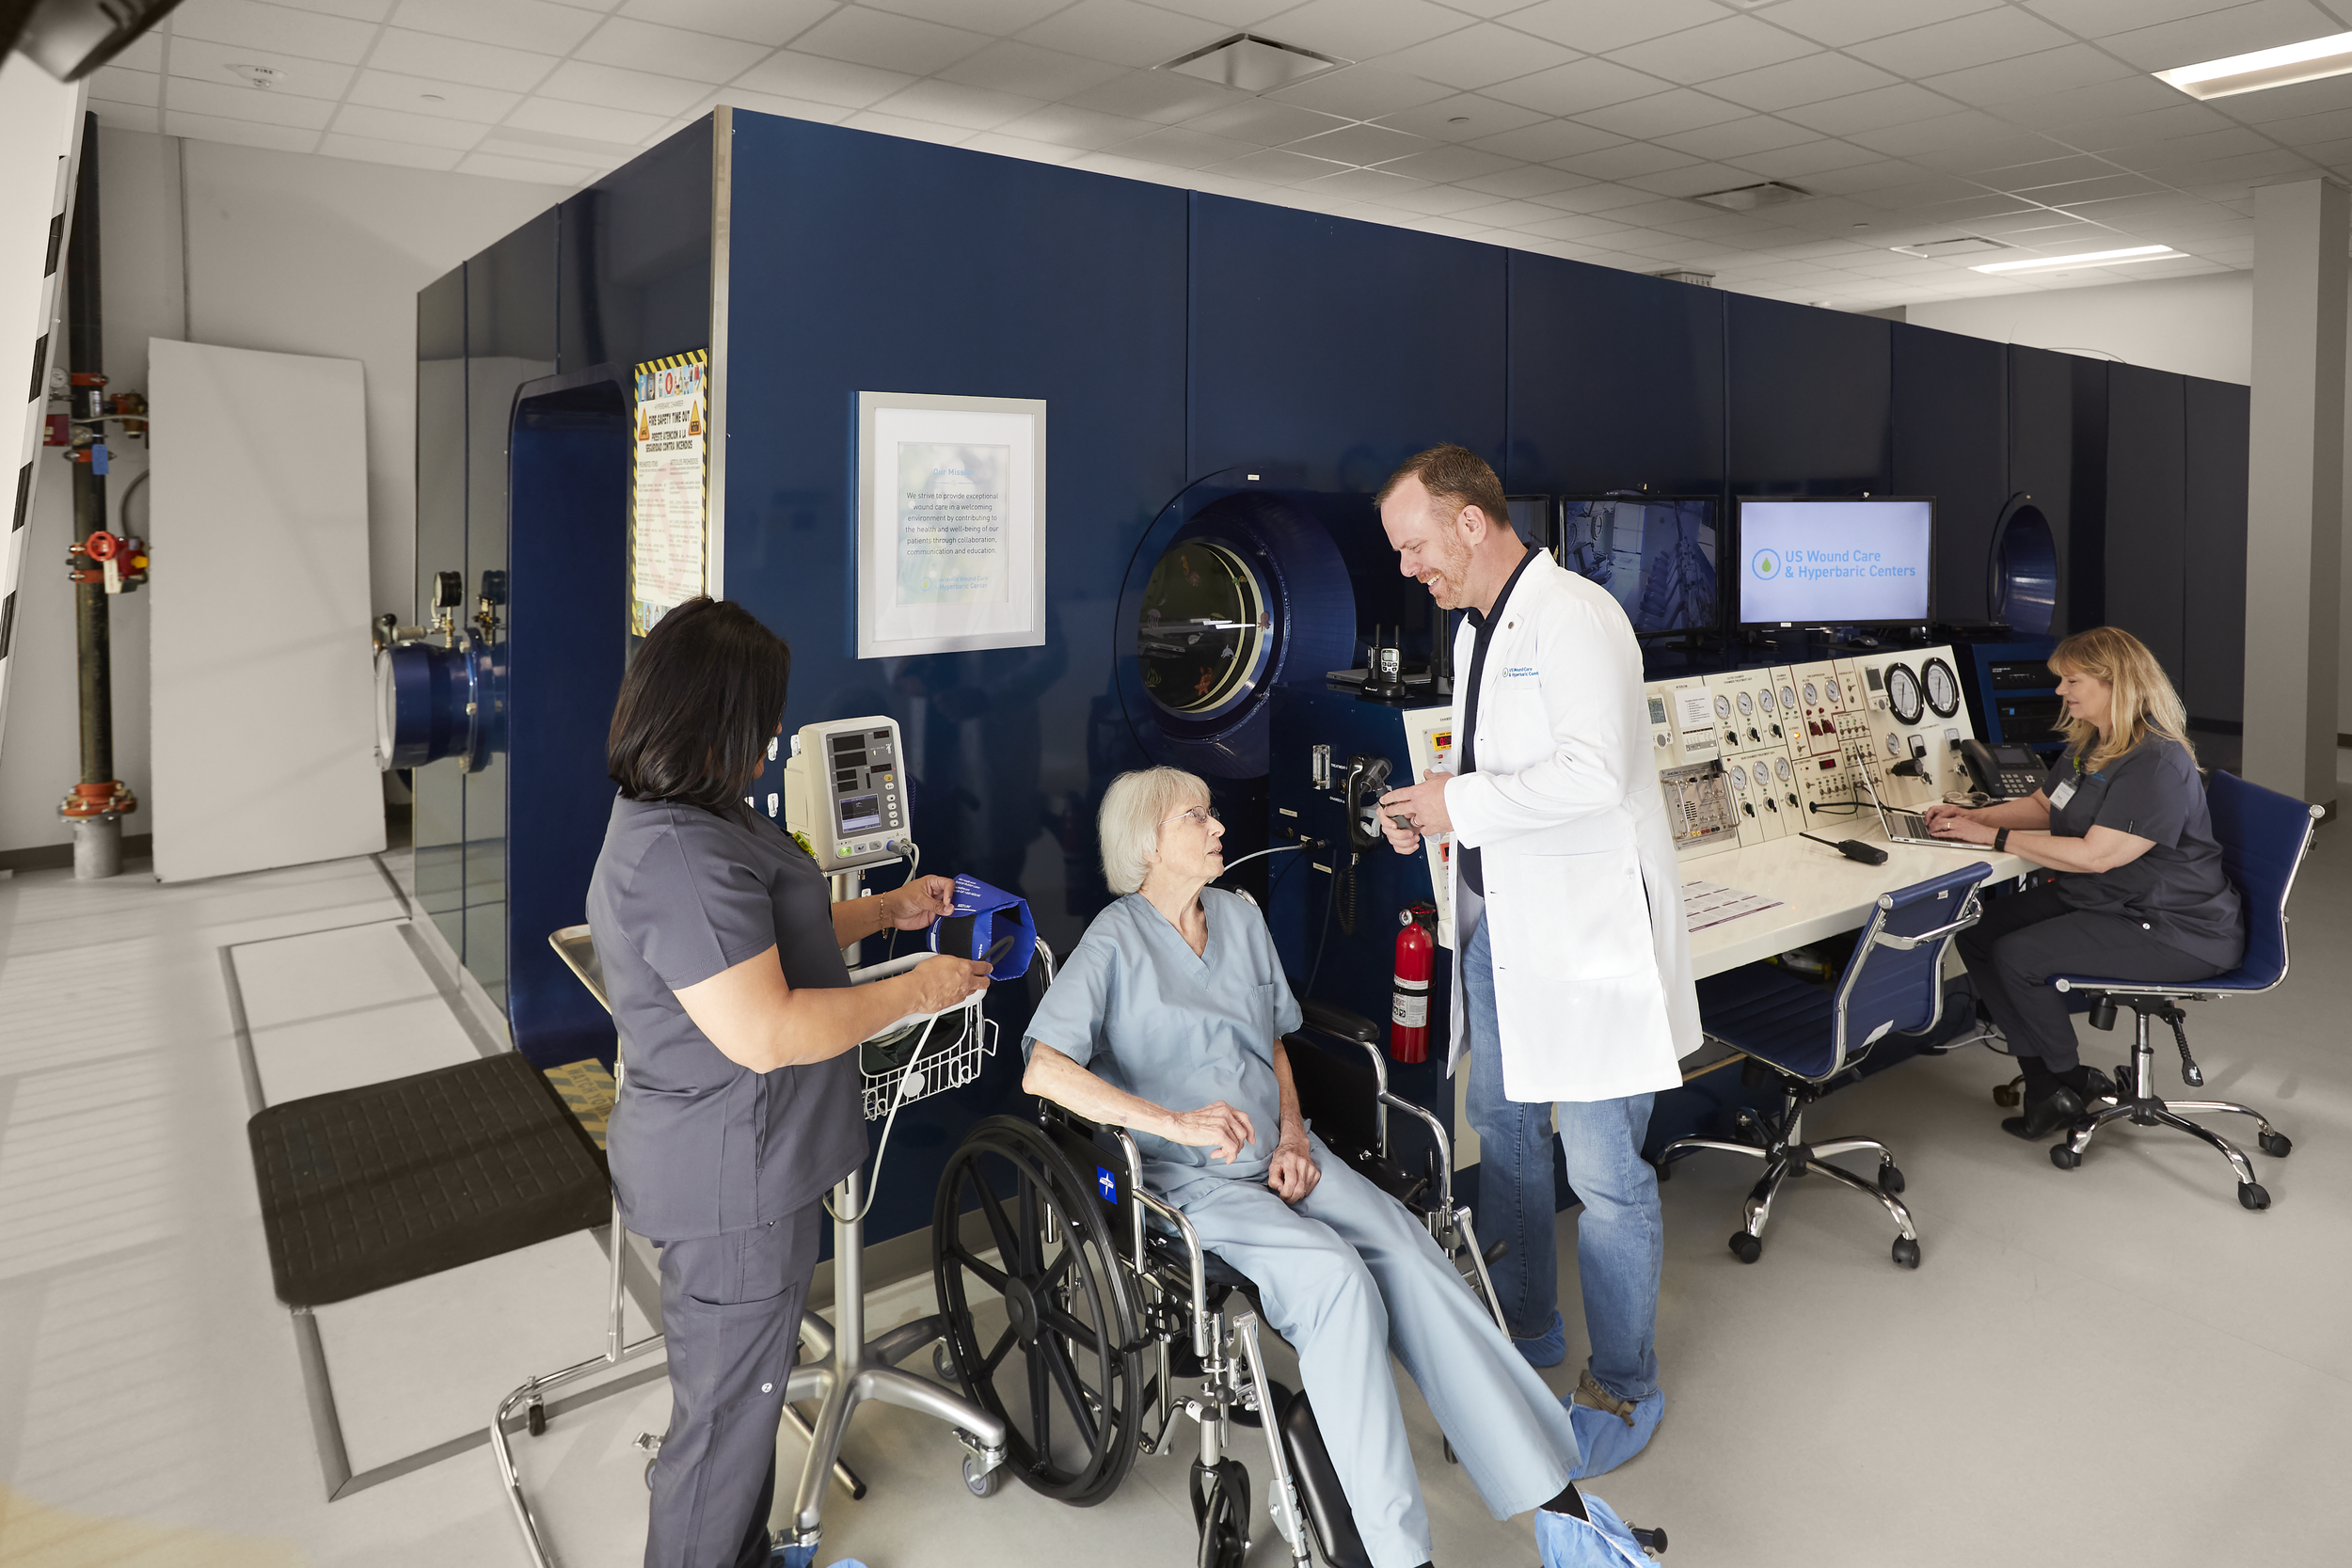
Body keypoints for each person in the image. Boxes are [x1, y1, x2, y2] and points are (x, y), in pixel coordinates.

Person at [1021, 767, 1662, 1568]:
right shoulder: (1114, 941)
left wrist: (1292, 1132)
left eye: (1215, 814)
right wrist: (1174, 1122)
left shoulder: (1238, 915)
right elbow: (1043, 1069)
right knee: (1337, 1284)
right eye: (1199, 817)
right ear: (1150, 843)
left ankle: (1560, 1505)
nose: (1220, 827)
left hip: (1290, 1155)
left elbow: (1275, 1043)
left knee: (1417, 1259)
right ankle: (1398, 1555)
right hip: (1195, 1184)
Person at [584, 597, 992, 1568]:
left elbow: (775, 935)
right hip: (729, 1177)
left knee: (749, 1394)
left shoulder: (702, 813)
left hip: (751, 1161)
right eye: (763, 716)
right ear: (708, 714)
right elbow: (765, 1029)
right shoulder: (679, 855)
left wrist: (888, 909)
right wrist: (913, 990)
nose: (773, 734)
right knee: (724, 1425)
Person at [1373, 445, 1699, 1481]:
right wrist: (1429, 819)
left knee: (1605, 1176)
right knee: (1506, 1132)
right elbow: (1496, 777)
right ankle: (1526, 1321)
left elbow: (1594, 774)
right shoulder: (1476, 630)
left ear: (1470, 522)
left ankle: (1626, 1380)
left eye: (1414, 544)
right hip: (1500, 932)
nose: (1406, 567)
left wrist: (1457, 805)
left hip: (1585, 940)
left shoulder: (1575, 616)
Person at [1927, 626, 2245, 1139]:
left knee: (2019, 957)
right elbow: (2041, 806)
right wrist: (1973, 819)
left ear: (2115, 683)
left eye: (2071, 681)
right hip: (2112, 900)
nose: (2059, 691)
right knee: (1978, 930)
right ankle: (2045, 1084)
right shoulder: (2095, 743)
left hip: (2175, 925)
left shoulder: (2156, 760)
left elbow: (2097, 856)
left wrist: (1993, 839)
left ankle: (2068, 1080)